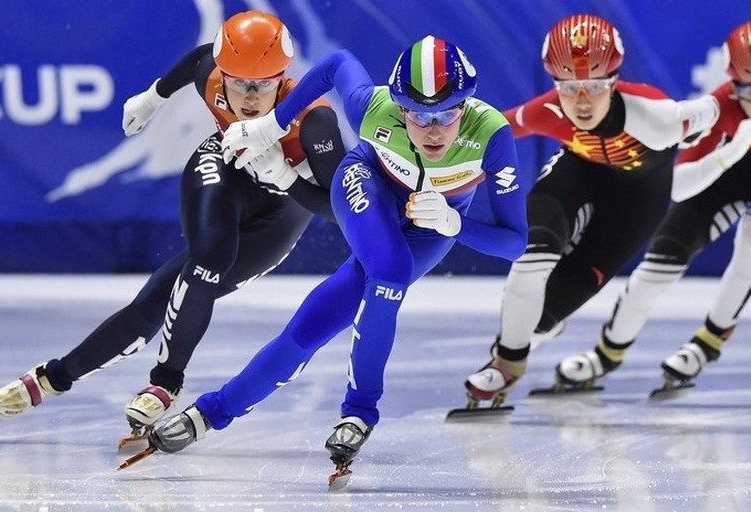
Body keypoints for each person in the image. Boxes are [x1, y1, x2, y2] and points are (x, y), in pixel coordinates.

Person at [132, 35, 527, 480]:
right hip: (369, 184)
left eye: (448, 113)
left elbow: (514, 242)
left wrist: (455, 225)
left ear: (467, 107)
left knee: (331, 312)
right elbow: (338, 62)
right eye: (417, 114)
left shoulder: (491, 135)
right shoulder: (372, 108)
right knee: (390, 269)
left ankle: (210, 412)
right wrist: (273, 124)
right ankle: (360, 411)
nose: (433, 129)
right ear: (398, 108)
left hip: (438, 221)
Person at [0, 11, 347, 441]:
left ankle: (63, 376)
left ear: (283, 78)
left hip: (284, 210)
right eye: (238, 82)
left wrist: (288, 178)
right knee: (208, 259)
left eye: (263, 84)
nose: (249, 98)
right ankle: (155, 381)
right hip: (226, 167)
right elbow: (201, 58)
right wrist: (153, 97)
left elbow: (341, 210)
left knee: (161, 298)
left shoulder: (314, 122)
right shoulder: (214, 80)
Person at [553, 19, 751, 393]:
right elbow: (680, 183)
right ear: (733, 86)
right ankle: (606, 353)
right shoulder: (720, 108)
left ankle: (708, 344)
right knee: (662, 257)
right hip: (737, 169)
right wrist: (729, 152)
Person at [461, 14, 721, 406]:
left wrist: (711, 136)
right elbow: (494, 128)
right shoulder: (547, 110)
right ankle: (506, 364)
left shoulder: (658, 118)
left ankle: (537, 330)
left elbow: (713, 111)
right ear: (555, 83)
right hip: (578, 173)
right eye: (569, 87)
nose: (581, 101)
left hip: (638, 201)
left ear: (614, 82)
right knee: (530, 256)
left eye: (595, 86)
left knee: (542, 321)